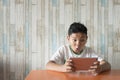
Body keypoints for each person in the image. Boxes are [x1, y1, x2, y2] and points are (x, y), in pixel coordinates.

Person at [46, 22, 111, 74]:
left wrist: (100, 68)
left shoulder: (89, 51)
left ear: (86, 39)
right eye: (74, 40)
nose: (78, 44)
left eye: (82, 40)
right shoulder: (64, 49)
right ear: (68, 38)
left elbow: (107, 65)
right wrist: (62, 68)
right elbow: (48, 65)